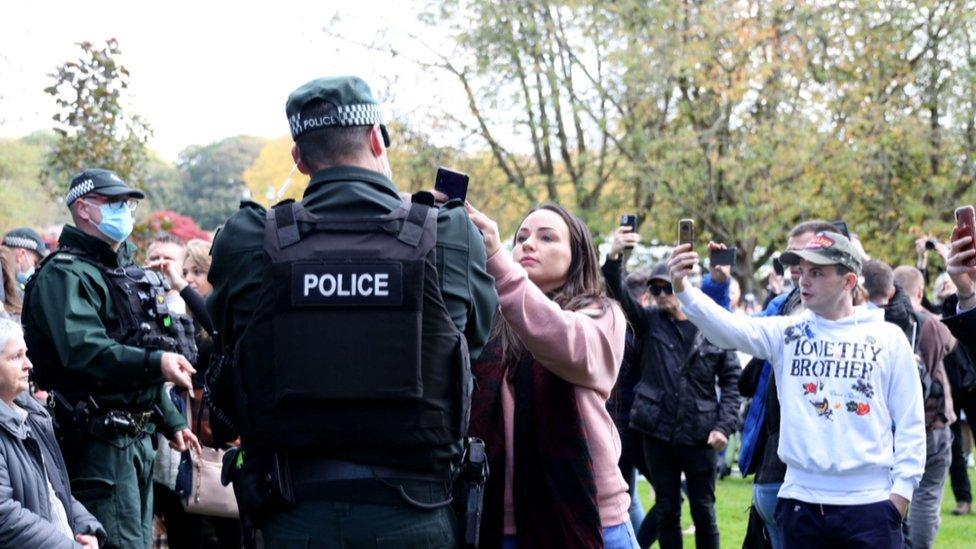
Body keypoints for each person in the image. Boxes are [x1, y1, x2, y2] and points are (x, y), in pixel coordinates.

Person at [205, 76, 497, 546]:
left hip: (293, 516)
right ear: (377, 139)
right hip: (415, 514)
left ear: (299, 160)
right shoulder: (450, 234)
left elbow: (229, 342)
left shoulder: (248, 239)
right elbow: (474, 342)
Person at [668, 231, 925, 548]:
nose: (804, 281)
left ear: (848, 281)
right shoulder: (788, 332)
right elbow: (727, 330)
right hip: (800, 503)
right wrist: (682, 288)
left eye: (817, 273)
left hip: (870, 505)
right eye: (802, 271)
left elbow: (912, 422)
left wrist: (900, 495)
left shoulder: (887, 337)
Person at [21, 168, 201, 548]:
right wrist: (158, 363)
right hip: (98, 442)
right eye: (115, 203)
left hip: (138, 440)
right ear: (83, 209)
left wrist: (169, 418)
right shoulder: (64, 274)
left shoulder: (118, 272)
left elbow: (133, 343)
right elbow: (86, 351)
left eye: (129, 203)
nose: (126, 211)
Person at [464, 202, 636, 548]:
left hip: (594, 520)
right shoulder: (489, 319)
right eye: (521, 237)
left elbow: (560, 338)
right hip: (502, 523)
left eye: (547, 238)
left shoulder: (603, 316)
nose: (528, 244)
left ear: (577, 255)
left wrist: (498, 261)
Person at [602, 225, 740, 549]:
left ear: (682, 287)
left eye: (667, 288)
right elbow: (616, 289)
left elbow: (732, 379)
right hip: (657, 433)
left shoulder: (711, 322)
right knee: (667, 510)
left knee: (704, 512)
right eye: (656, 289)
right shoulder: (649, 322)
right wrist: (614, 255)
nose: (661, 295)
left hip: (700, 434)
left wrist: (724, 425)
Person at [736, 220, 837, 549]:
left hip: (827, 476)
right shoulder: (781, 307)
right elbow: (734, 334)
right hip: (774, 463)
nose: (797, 269)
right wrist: (712, 288)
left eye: (808, 261)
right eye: (792, 260)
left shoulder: (857, 325)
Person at [0, 318, 105, 548]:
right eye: (15, 356)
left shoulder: (32, 417)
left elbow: (58, 489)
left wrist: (86, 527)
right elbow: (4, 516)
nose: (28, 364)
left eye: (25, 354)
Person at [889, 265, 956, 548]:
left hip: (893, 424)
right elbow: (952, 343)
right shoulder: (930, 323)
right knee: (927, 495)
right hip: (931, 422)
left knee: (893, 490)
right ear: (919, 291)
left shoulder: (881, 321)